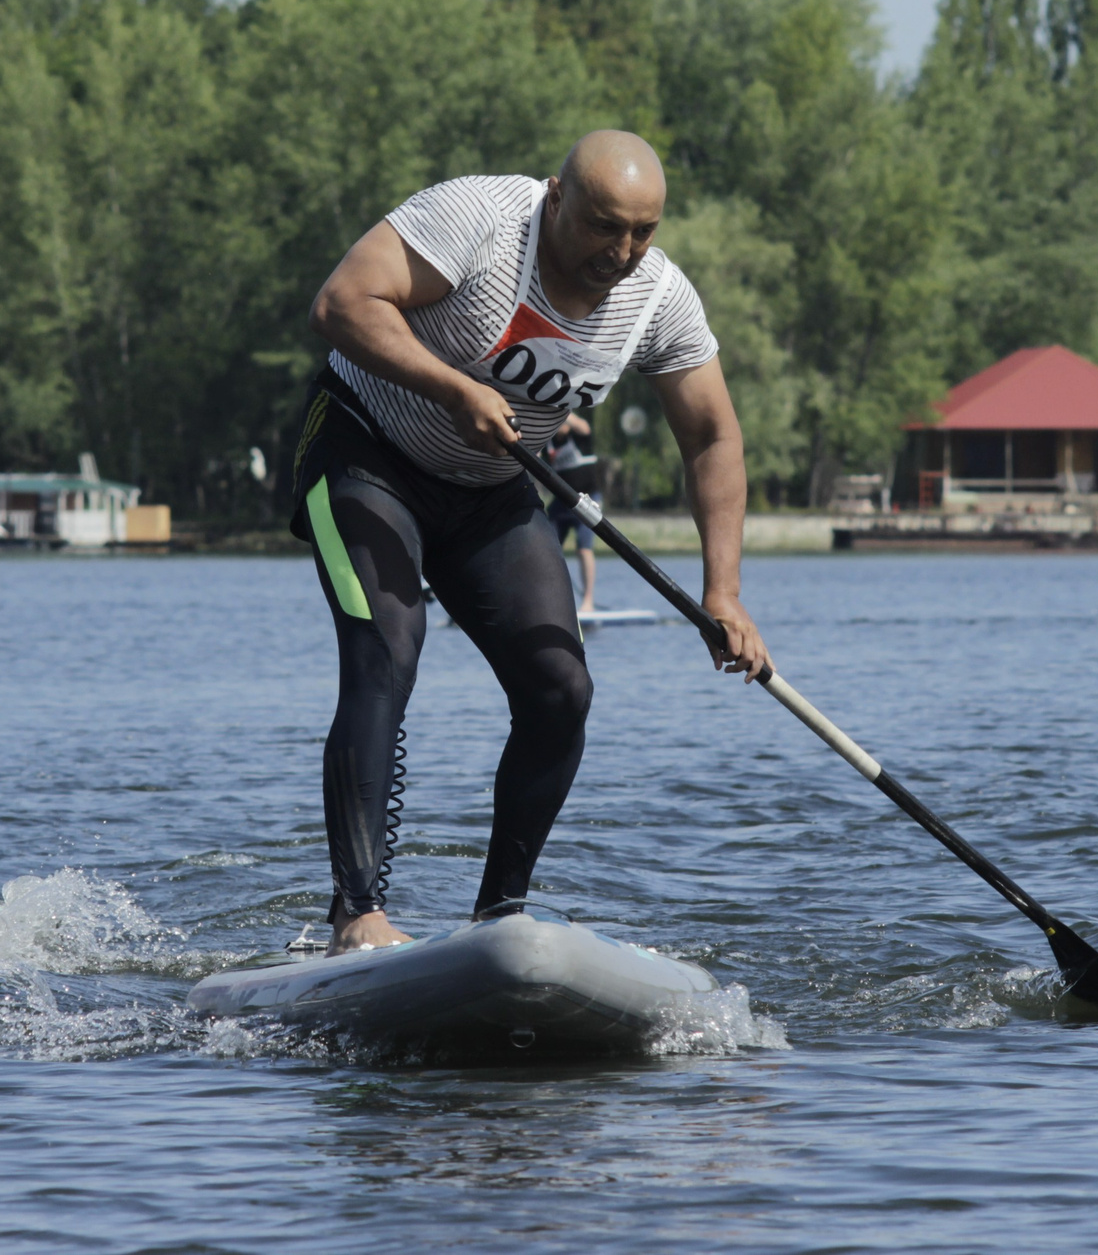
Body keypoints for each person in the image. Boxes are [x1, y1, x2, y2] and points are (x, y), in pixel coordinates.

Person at [296, 129, 770, 954]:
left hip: (486, 494)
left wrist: (722, 590)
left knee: (562, 689)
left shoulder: (658, 298)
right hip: (361, 452)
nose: (621, 251)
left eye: (642, 231)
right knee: (387, 645)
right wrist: (452, 388)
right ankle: (357, 916)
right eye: (602, 225)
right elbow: (342, 303)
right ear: (557, 196)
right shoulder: (478, 218)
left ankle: (497, 925)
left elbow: (713, 437)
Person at [547, 412, 603, 614]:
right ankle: (549, 602)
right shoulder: (549, 441)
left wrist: (560, 411)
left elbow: (584, 426)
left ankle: (588, 601)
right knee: (545, 551)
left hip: (587, 502)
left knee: (583, 549)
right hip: (560, 505)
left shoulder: (580, 437)